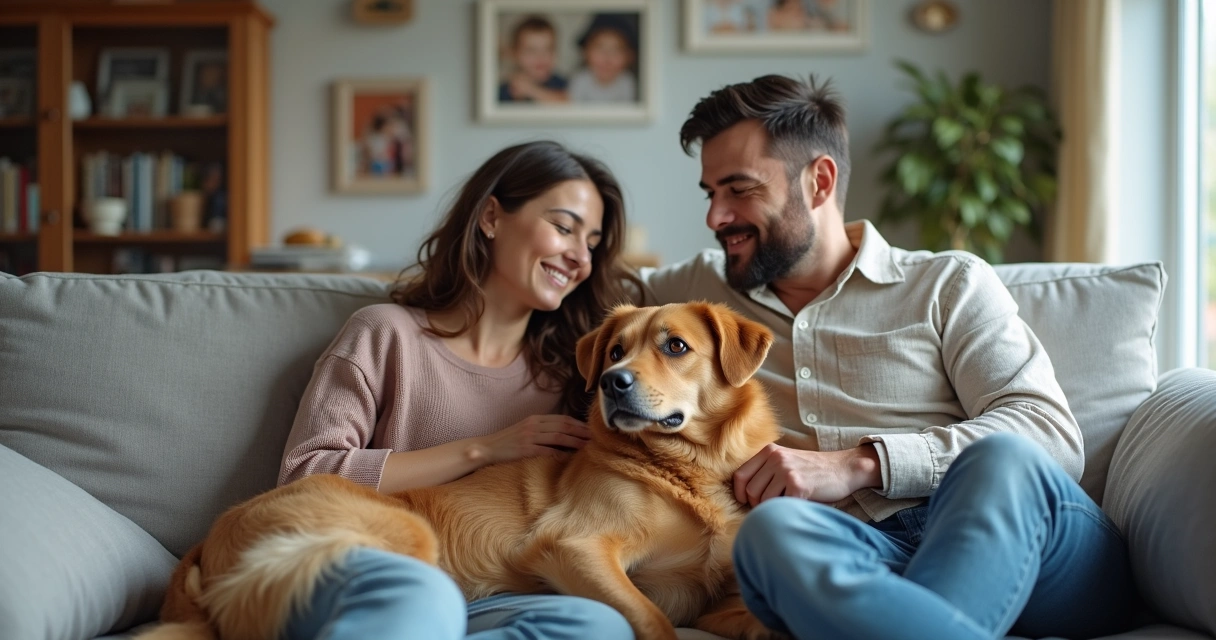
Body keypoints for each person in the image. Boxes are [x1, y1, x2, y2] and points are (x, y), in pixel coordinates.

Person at [636, 74, 1141, 639]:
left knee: (1001, 460)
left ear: (819, 181)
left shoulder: (946, 282)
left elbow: (1048, 434)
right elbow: (570, 285)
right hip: (858, 561)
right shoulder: (691, 300)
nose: (715, 218)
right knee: (771, 531)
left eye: (740, 189)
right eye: (711, 193)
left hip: (1023, 546)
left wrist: (858, 464)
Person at [277, 141, 635, 640]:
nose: (579, 257)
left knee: (596, 624)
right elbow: (303, 476)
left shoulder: (572, 377)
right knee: (427, 601)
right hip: (374, 564)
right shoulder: (384, 333)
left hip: (493, 591)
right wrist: (484, 449)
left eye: (592, 243)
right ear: (491, 216)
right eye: (563, 227)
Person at [568, 13, 639, 104]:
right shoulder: (579, 80)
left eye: (616, 50)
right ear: (585, 53)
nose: (607, 57)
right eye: (599, 48)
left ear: (629, 57)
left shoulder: (627, 83)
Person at [497, 15, 568, 104]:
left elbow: (567, 103)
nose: (541, 57)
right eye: (531, 51)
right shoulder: (506, 88)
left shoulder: (562, 84)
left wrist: (531, 90)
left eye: (548, 49)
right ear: (515, 54)